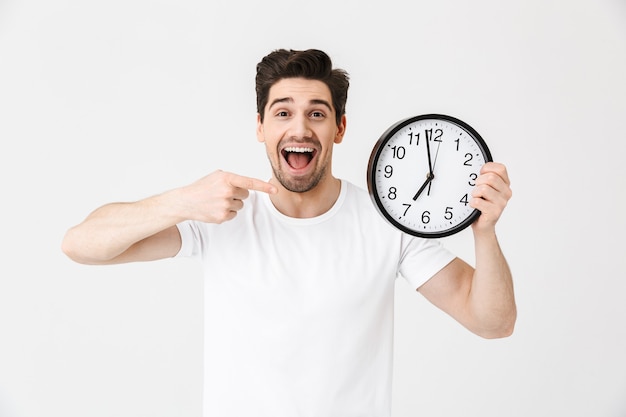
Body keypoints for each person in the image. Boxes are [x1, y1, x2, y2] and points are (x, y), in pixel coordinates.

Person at [62, 48, 516, 417]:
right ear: (261, 127)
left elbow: (493, 322)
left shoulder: (386, 223)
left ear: (339, 128)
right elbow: (81, 245)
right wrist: (183, 200)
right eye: (283, 113)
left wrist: (485, 230)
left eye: (317, 114)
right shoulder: (221, 214)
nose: (300, 128)